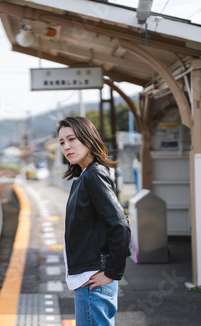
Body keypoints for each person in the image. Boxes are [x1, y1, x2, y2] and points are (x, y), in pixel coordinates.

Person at [57, 116, 131, 326]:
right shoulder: (85, 177)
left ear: (88, 139)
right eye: (62, 142)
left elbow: (120, 225)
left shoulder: (94, 176)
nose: (66, 146)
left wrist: (112, 272)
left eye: (72, 139)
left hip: (93, 280)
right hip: (89, 279)